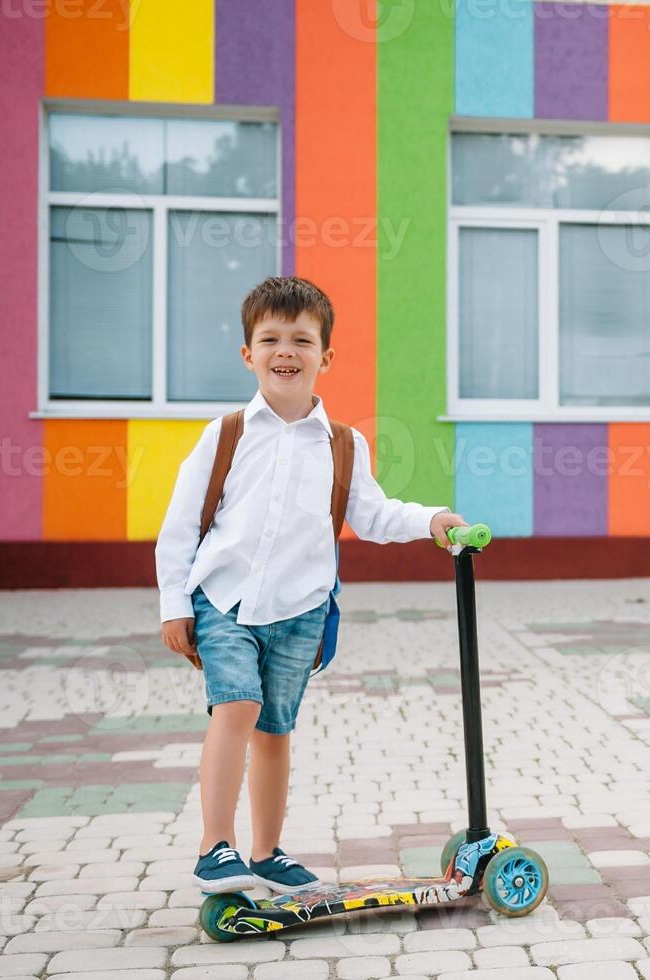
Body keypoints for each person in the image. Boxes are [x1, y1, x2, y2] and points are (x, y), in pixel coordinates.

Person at [155, 276, 465, 893]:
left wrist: (430, 519)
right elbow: (181, 525)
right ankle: (217, 846)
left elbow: (373, 515)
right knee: (236, 706)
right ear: (249, 354)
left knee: (274, 729)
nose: (285, 350)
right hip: (224, 602)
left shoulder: (344, 445)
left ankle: (267, 853)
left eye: (302, 338)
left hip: (301, 611)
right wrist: (172, 605)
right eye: (270, 338)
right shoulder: (226, 435)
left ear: (326, 356)